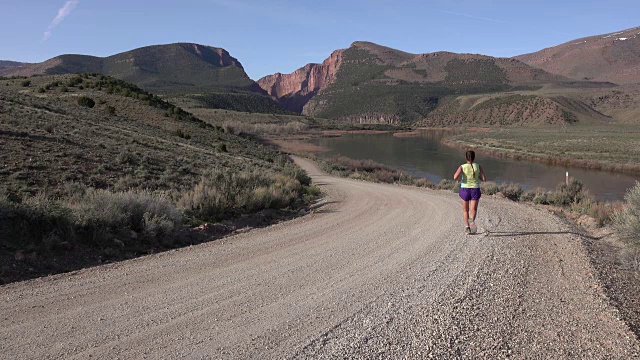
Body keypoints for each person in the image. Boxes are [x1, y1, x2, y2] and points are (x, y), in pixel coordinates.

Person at [453, 150, 486, 235]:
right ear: (474, 157)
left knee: (465, 210)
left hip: (465, 189)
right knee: (473, 209)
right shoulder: (478, 166)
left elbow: (455, 177)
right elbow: (484, 179)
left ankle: (467, 228)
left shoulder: (462, 167)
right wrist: (477, 175)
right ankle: (472, 224)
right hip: (475, 189)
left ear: (465, 157)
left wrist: (459, 179)